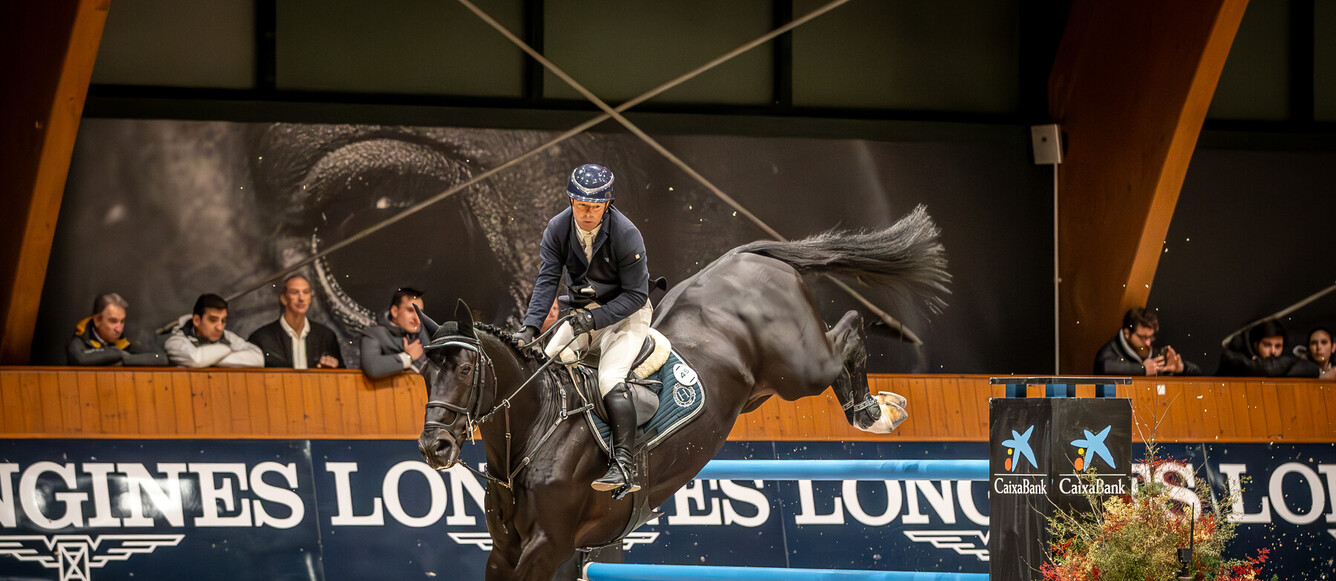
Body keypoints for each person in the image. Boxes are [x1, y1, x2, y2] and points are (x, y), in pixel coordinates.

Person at [513, 163, 651, 495]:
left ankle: (624, 466)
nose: (587, 213)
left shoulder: (626, 233)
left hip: (626, 314)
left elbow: (636, 294)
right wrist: (530, 327)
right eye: (580, 205)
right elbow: (547, 280)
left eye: (594, 206)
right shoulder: (557, 228)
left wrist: (592, 320)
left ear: (607, 204)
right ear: (570, 200)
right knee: (546, 362)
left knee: (609, 378)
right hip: (583, 312)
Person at [247, 275, 344, 369]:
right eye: (295, 292)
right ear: (283, 299)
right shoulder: (262, 338)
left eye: (306, 292)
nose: (301, 298)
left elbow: (343, 376)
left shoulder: (326, 337)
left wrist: (335, 367)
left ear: (310, 298)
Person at [164, 294, 264, 368]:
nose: (220, 327)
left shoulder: (227, 336)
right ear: (197, 320)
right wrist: (228, 349)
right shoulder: (175, 342)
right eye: (213, 320)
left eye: (223, 321)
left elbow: (258, 358)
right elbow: (196, 360)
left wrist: (209, 360)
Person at [66, 293, 166, 366]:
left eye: (122, 321)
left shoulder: (124, 342)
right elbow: (80, 359)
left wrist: (124, 358)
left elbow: (160, 358)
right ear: (97, 320)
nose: (119, 329)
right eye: (113, 321)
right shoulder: (81, 341)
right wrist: (117, 354)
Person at [1093, 307, 1199, 376]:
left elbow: (1198, 372)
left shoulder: (1153, 352)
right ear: (1127, 333)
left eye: (1151, 337)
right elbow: (1105, 367)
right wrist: (1142, 369)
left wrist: (1181, 368)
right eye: (1142, 337)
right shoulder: (1110, 352)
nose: (1148, 343)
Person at [359, 288, 430, 380]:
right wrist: (408, 357)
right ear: (395, 311)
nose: (417, 318)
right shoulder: (374, 334)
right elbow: (372, 367)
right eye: (410, 310)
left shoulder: (421, 333)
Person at [1217, 319, 1320, 377]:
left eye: (1278, 346)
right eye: (1267, 345)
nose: (1273, 352)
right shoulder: (1233, 358)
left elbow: (1313, 369)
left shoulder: (1287, 358)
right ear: (1255, 344)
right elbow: (1268, 369)